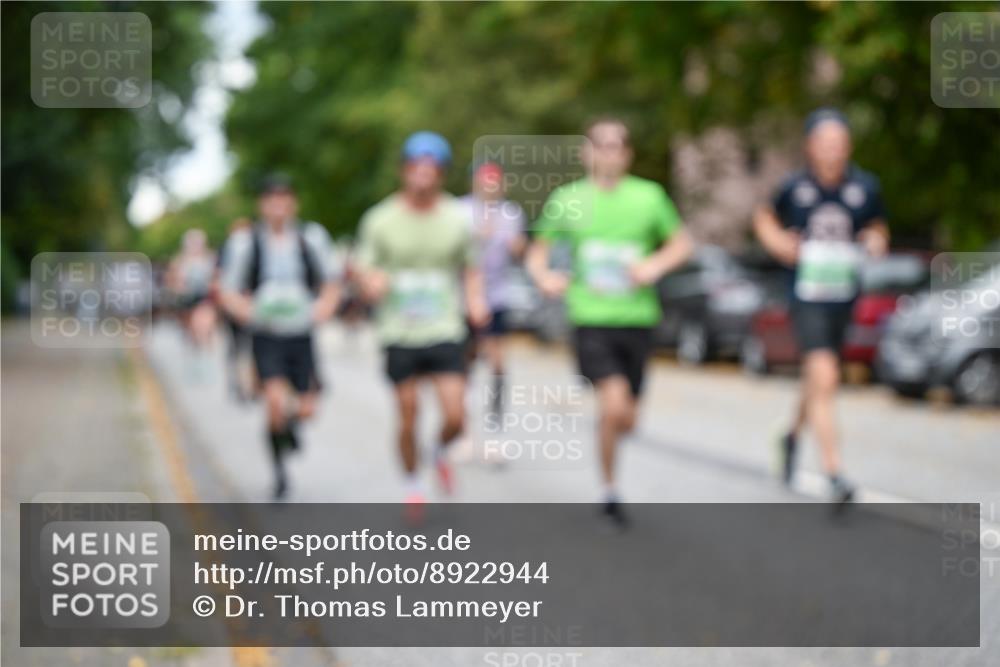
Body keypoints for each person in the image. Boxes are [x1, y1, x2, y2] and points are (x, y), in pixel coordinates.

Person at [526, 118, 693, 526]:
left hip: (637, 318)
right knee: (613, 401)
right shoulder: (568, 199)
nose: (608, 152)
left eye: (616, 145)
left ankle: (610, 443)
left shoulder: (649, 197)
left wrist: (655, 264)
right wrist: (544, 277)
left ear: (627, 154)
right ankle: (610, 487)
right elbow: (538, 251)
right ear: (587, 153)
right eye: (600, 145)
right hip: (591, 318)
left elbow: (682, 244)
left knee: (627, 418)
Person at [753, 108, 889, 506]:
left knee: (818, 379)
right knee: (826, 376)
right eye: (825, 144)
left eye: (840, 144)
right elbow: (763, 216)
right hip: (805, 296)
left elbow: (878, 225)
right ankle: (834, 473)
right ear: (811, 147)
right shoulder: (794, 187)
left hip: (844, 296)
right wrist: (776, 241)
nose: (833, 151)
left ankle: (792, 434)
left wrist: (877, 240)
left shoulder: (864, 187)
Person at [354, 131, 489, 506]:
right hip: (399, 331)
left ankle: (439, 450)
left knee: (456, 416)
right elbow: (363, 267)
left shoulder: (457, 219)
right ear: (404, 171)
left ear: (441, 175)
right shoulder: (380, 219)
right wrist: (371, 281)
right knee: (409, 412)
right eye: (416, 168)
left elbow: (472, 268)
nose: (423, 175)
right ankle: (412, 483)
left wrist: (476, 301)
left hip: (445, 326)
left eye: (431, 169)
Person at [219, 174, 341, 499]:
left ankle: (290, 429)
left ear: (293, 202)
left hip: (301, 333)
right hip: (267, 334)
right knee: (274, 402)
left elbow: (331, 282)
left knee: (305, 408)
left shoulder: (310, 238)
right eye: (271, 198)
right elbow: (228, 290)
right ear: (262, 204)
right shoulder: (246, 243)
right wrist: (248, 311)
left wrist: (324, 308)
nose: (278, 205)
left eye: (284, 197)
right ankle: (279, 472)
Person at [460, 161, 527, 416]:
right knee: (467, 357)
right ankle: (460, 410)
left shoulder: (511, 213)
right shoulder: (460, 210)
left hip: (497, 295)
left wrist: (518, 247)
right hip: (463, 297)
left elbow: (520, 252)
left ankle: (496, 414)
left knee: (498, 359)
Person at [167, 228, 218, 376]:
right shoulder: (180, 260)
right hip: (186, 300)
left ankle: (206, 360)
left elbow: (217, 278)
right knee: (191, 332)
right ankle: (194, 360)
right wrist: (178, 287)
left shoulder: (210, 258)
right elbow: (172, 281)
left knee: (203, 326)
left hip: (204, 298)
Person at [216, 217, 255, 402]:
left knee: (242, 347)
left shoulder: (255, 247)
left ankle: (245, 383)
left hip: (250, 305)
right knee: (239, 346)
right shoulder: (230, 249)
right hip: (237, 304)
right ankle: (241, 383)